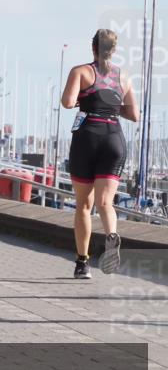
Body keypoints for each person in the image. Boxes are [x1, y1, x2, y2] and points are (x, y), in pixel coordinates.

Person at [61, 28, 139, 279]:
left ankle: (82, 264)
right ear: (113, 50)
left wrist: (84, 101)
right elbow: (133, 115)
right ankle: (111, 236)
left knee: (84, 205)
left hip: (88, 138)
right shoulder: (123, 77)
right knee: (106, 202)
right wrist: (111, 104)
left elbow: (67, 101)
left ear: (93, 48)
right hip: (114, 138)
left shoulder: (81, 71)